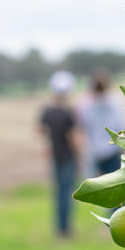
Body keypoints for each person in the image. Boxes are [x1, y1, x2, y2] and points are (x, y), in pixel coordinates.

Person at [39, 70, 78, 237]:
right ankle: (65, 229)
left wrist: (50, 142)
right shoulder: (68, 112)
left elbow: (40, 130)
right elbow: (72, 137)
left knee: (58, 192)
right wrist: (79, 154)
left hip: (55, 155)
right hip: (68, 156)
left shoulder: (47, 111)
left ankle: (59, 228)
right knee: (67, 192)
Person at [78, 69, 125, 178]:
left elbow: (83, 127)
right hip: (112, 150)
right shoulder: (114, 103)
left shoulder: (86, 106)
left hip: (94, 151)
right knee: (114, 185)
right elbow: (120, 127)